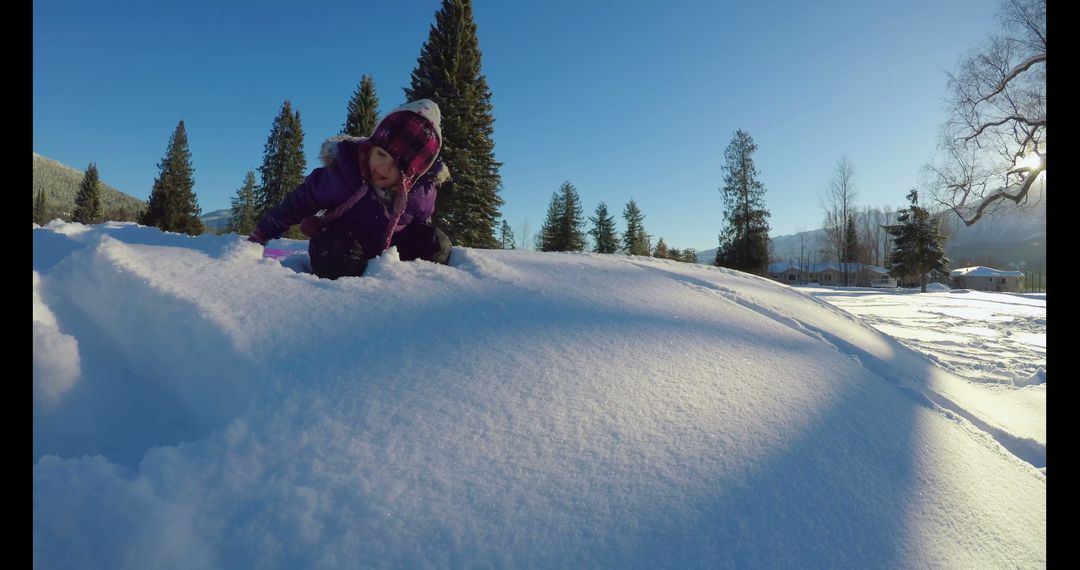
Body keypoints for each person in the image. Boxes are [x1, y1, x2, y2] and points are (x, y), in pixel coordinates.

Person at [248, 99, 452, 279]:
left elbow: (423, 223)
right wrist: (262, 233)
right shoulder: (345, 175)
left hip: (392, 252)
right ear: (370, 147)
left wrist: (424, 243)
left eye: (397, 166)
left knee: (436, 243)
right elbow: (300, 202)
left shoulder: (420, 192)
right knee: (334, 253)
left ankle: (415, 285)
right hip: (344, 242)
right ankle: (342, 286)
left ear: (413, 174)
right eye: (381, 154)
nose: (383, 167)